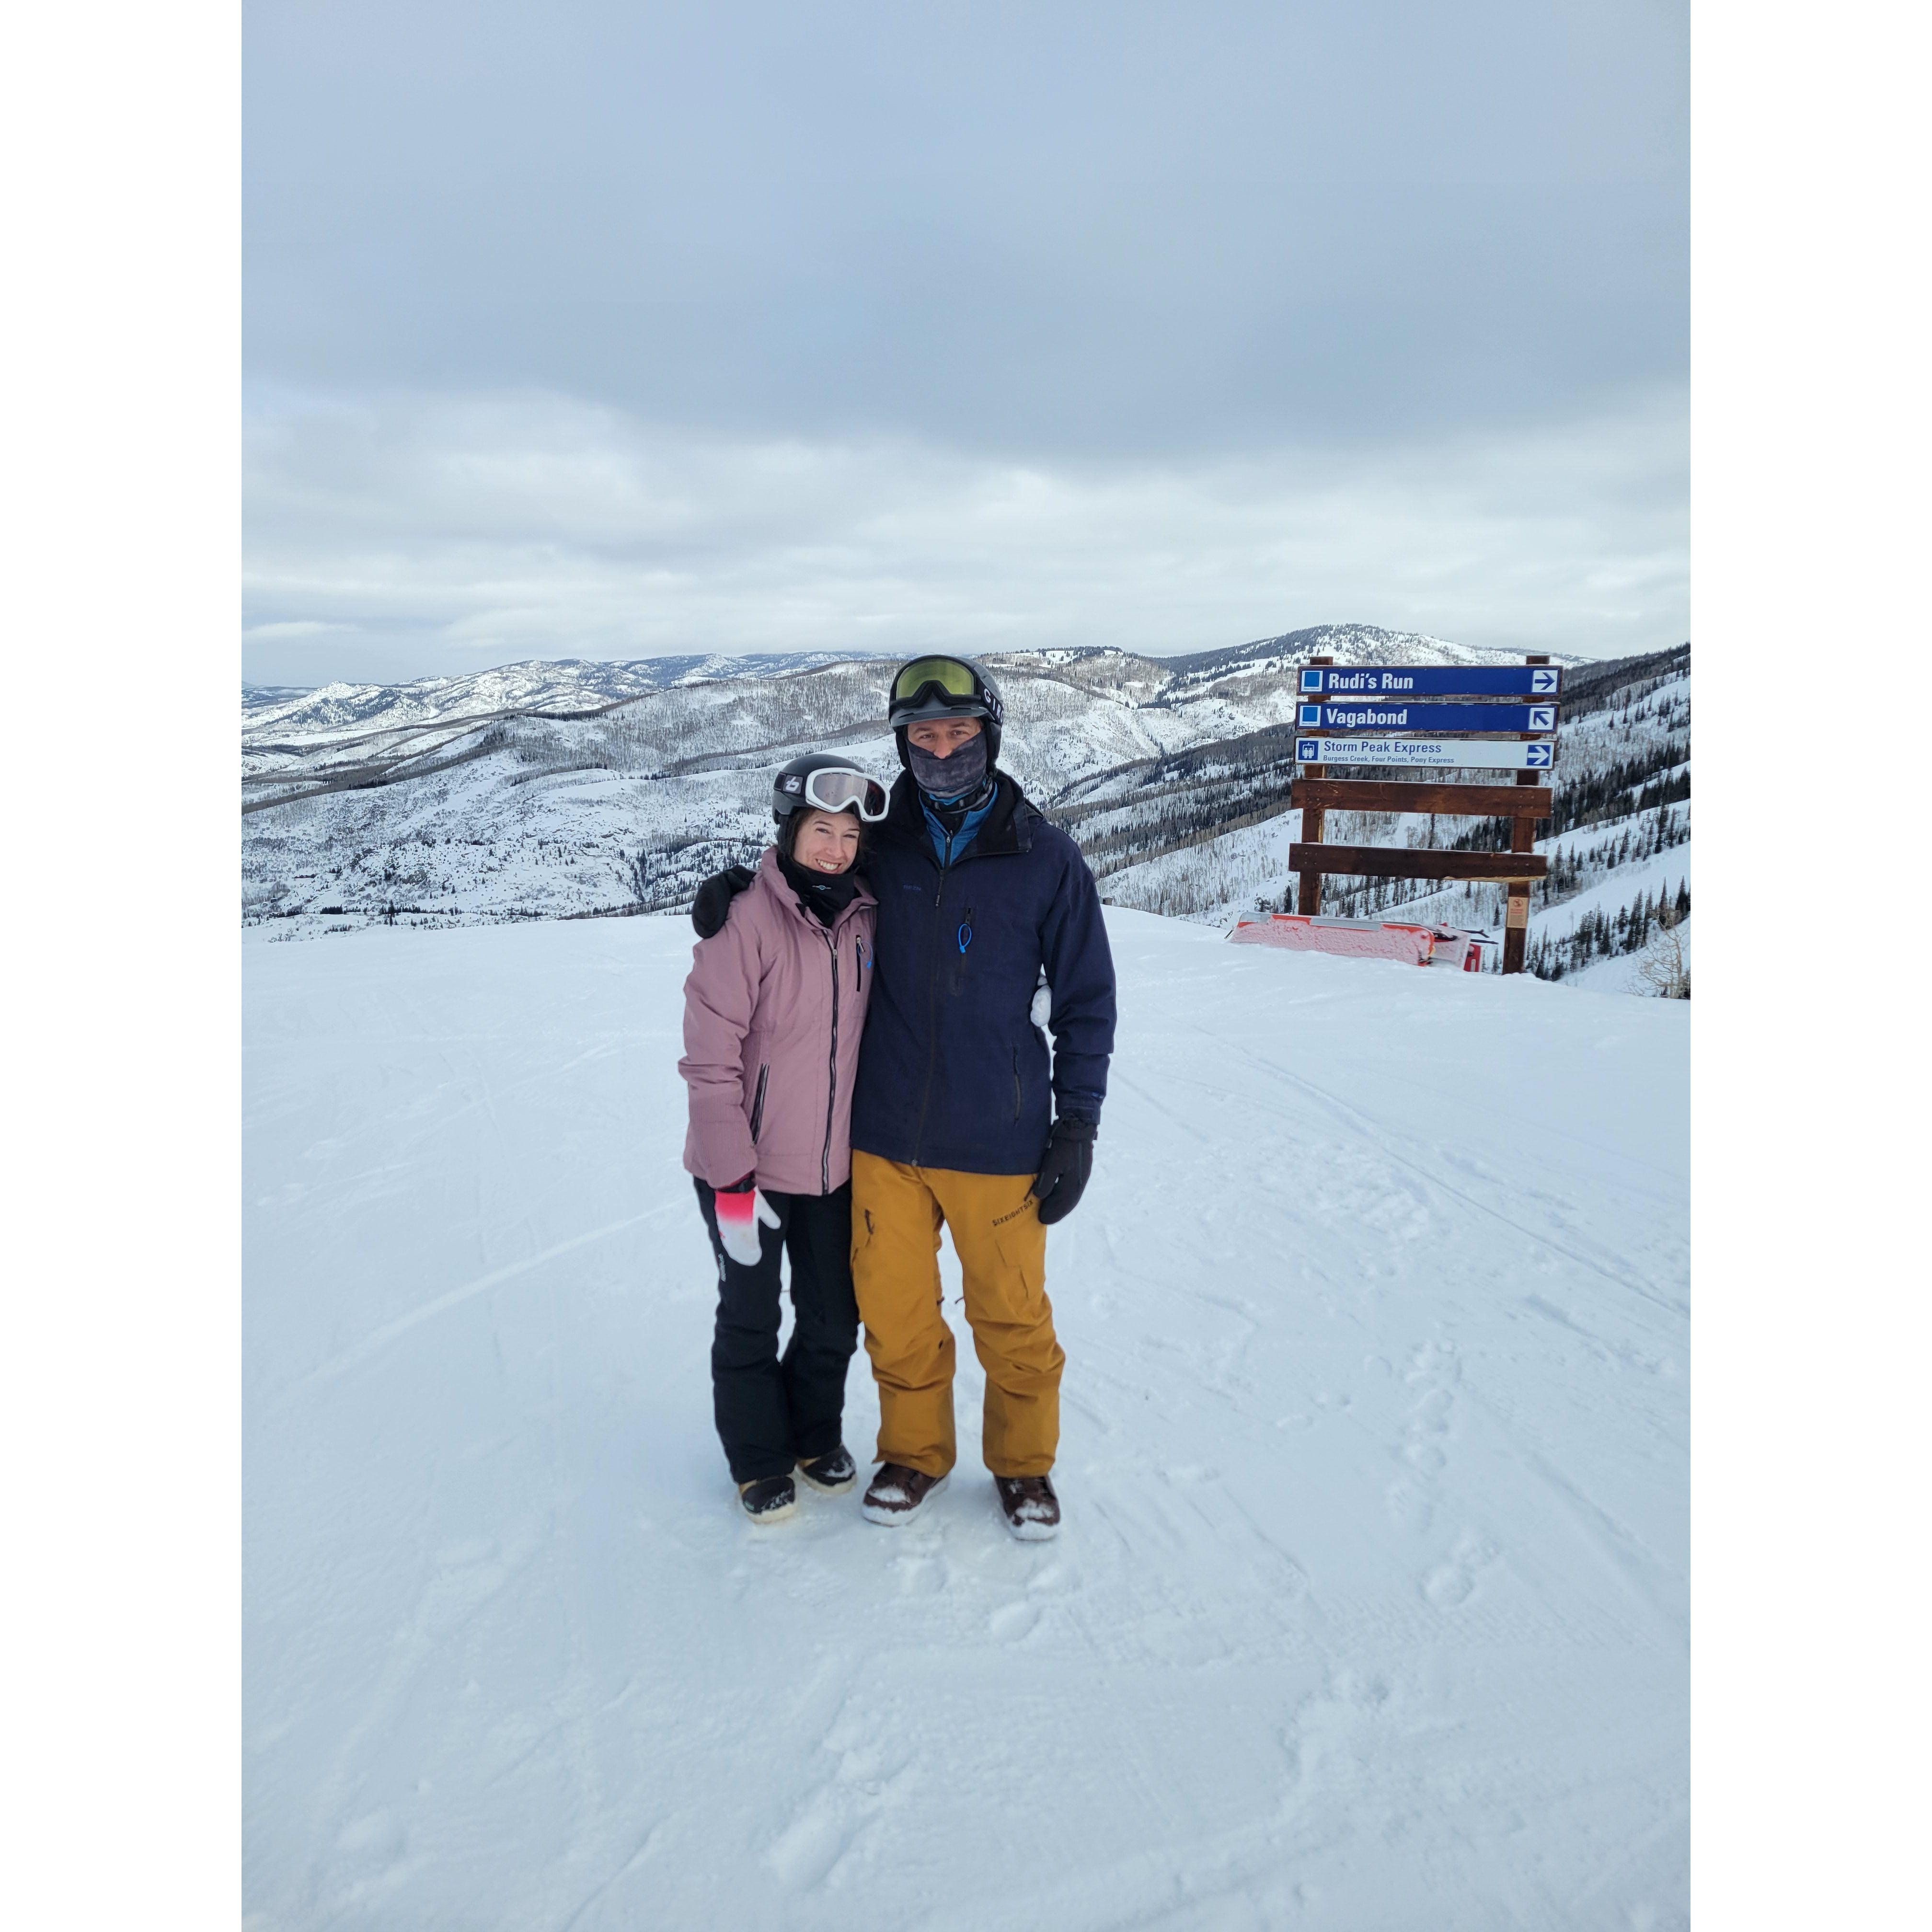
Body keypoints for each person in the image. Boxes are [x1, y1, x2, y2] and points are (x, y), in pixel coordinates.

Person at [693, 656, 1117, 1539]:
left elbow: (1086, 1003)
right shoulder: (880, 848)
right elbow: (809, 880)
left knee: (1012, 1319)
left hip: (998, 1137)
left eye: (959, 734)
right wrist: (739, 889)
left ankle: (1024, 1467)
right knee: (895, 1317)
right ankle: (916, 1453)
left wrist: (1076, 1123)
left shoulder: (1043, 857)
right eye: (922, 737)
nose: (941, 750)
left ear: (989, 737)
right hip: (880, 1137)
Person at [678, 753, 888, 1524]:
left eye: (849, 835)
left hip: (832, 1170)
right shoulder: (746, 922)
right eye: (820, 831)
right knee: (752, 1313)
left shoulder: (868, 911)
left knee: (835, 1316)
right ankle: (759, 1459)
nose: (835, 848)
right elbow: (709, 1063)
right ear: (790, 830)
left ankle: (811, 1435)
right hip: (744, 1170)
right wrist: (733, 1178)